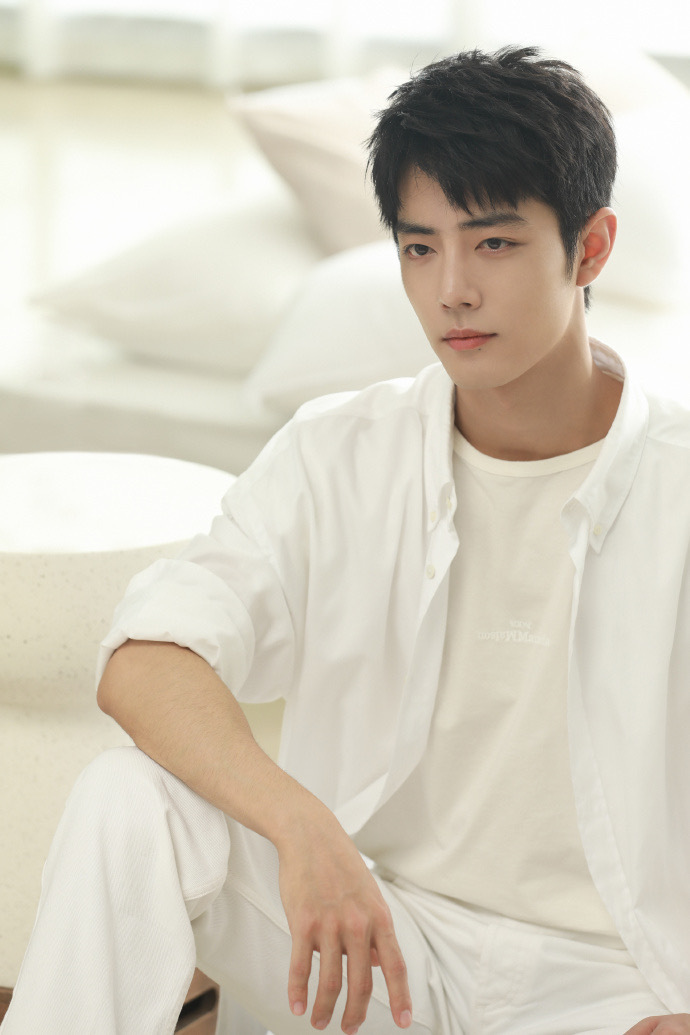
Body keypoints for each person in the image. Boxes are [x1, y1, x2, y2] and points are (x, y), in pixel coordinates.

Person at [3, 45, 690, 1035]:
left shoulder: (674, 480)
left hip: (619, 985)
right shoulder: (341, 454)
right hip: (381, 944)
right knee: (130, 799)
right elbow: (145, 660)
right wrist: (302, 825)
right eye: (420, 248)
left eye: (494, 243)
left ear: (591, 248)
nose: (452, 289)